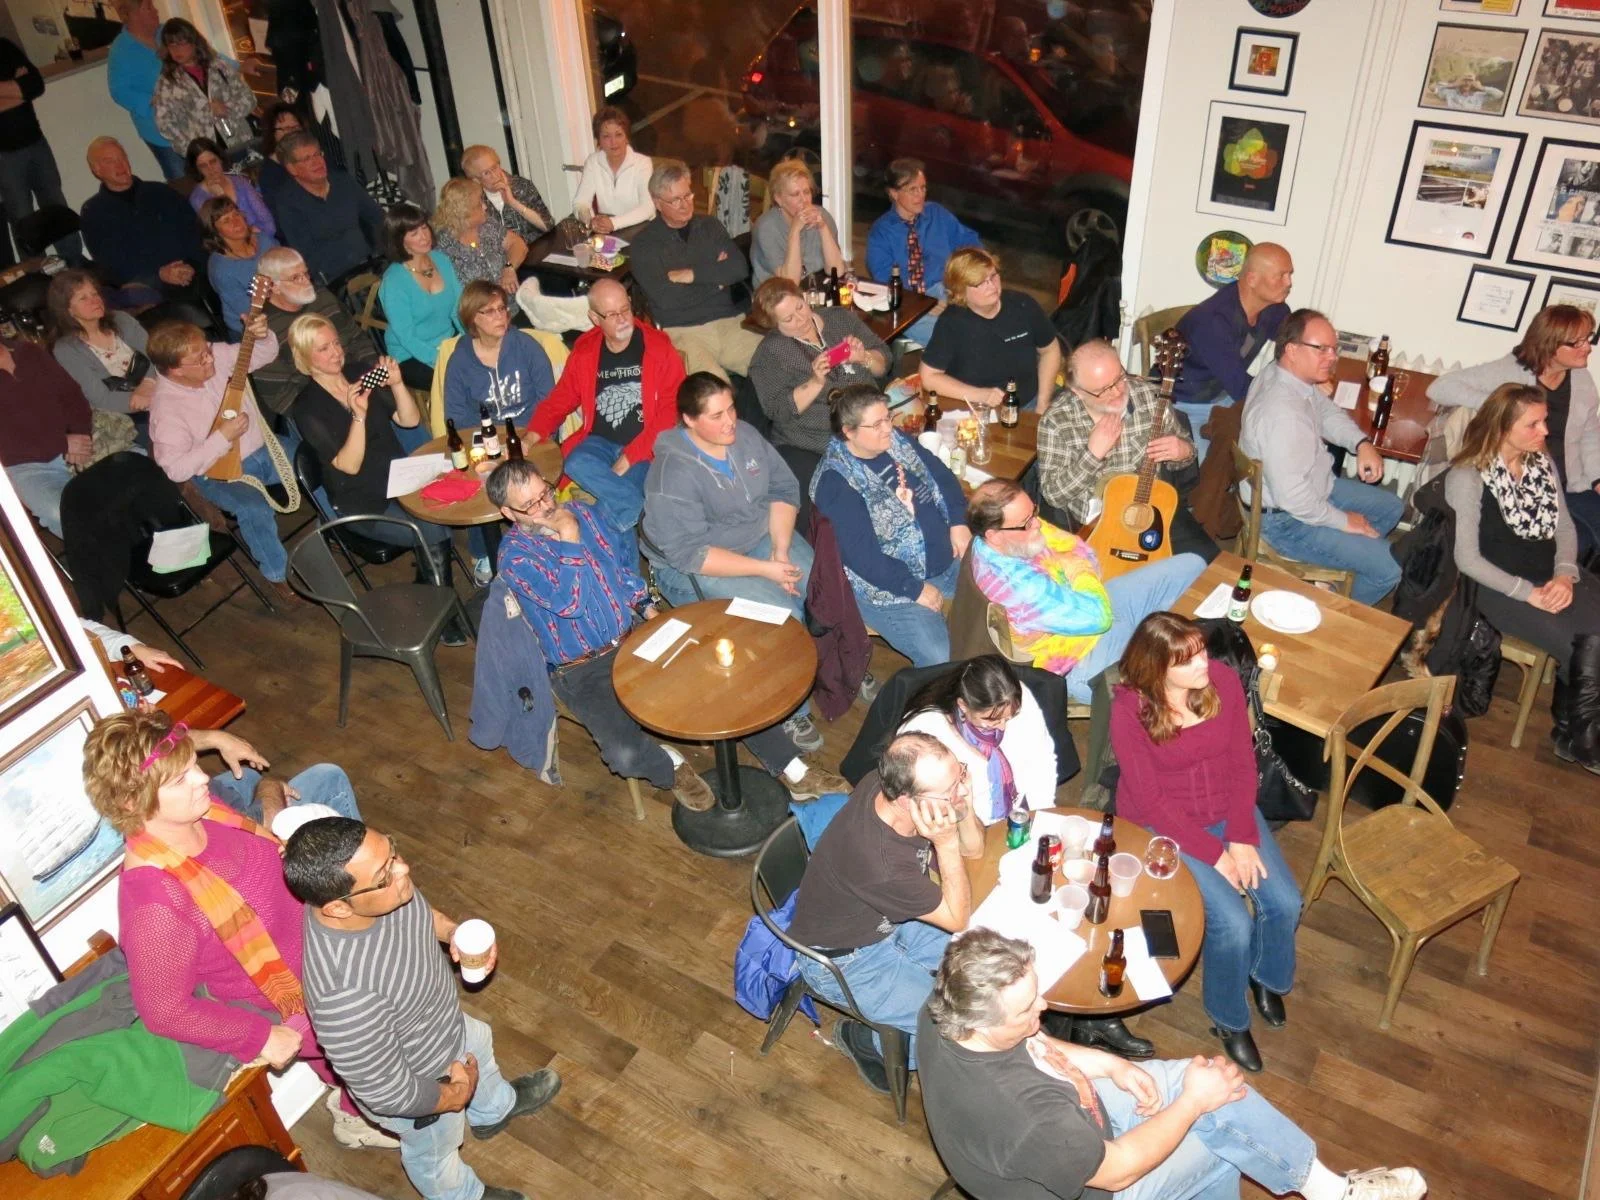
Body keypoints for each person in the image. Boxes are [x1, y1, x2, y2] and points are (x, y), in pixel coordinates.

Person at [80, 710, 396, 1152]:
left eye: (194, 763)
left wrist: (267, 793)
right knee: (372, 1068)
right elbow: (164, 1010)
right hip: (302, 1000)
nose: (200, 779)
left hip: (328, 950)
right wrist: (261, 1037)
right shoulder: (154, 901)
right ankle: (358, 1113)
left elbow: (259, 861)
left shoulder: (203, 816)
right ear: (133, 803)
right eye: (180, 778)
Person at [918, 929, 1428, 1200]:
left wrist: (1107, 1064)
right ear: (982, 1023)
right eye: (1028, 1008)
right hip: (1098, 1183)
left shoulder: (945, 1009)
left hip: (1077, 1122)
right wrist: (1191, 1105)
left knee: (1209, 1085)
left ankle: (1327, 1189)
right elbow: (1115, 1173)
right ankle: (1333, 1194)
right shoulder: (1029, 1121)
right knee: (1217, 1118)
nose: (1043, 1010)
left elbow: (1034, 1047)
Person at [488, 458, 843, 806]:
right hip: (582, 667)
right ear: (508, 513)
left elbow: (621, 572)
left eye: (546, 493)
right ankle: (670, 765)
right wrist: (569, 539)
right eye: (530, 505)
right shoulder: (515, 558)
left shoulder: (584, 515)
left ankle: (794, 770)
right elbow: (571, 603)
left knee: (726, 679)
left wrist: (648, 609)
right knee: (623, 754)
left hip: (633, 634)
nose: (546, 507)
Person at [283, 816, 564, 1200]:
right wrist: (451, 1097)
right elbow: (386, 1090)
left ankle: (493, 1110)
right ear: (337, 909)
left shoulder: (381, 893)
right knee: (435, 1151)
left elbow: (419, 914)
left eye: (393, 853)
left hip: (444, 1026)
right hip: (423, 1087)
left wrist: (453, 934)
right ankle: (463, 1195)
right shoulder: (344, 998)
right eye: (386, 872)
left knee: (480, 1041)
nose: (403, 869)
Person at [1112, 612, 1302, 1072]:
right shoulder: (1129, 710)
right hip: (1166, 827)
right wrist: (1216, 854)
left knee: (1285, 902)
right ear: (1158, 668)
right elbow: (1153, 803)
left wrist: (1239, 835)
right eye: (1189, 659)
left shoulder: (1221, 680)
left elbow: (1242, 763)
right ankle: (1229, 1018)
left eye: (1201, 649)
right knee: (1232, 924)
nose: (1204, 662)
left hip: (1227, 812)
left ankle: (1265, 976)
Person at [786, 732, 981, 1087]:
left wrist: (959, 805)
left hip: (887, 921)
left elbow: (975, 849)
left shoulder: (885, 781)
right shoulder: (882, 863)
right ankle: (866, 1042)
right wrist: (946, 842)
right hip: (845, 960)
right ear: (907, 801)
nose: (963, 792)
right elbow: (957, 918)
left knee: (982, 966)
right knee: (954, 1025)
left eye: (961, 776)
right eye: (951, 788)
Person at [642, 373, 823, 750]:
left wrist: (781, 551)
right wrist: (766, 571)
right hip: (693, 565)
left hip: (758, 538)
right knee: (783, 613)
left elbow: (782, 488)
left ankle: (830, 666)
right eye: (716, 416)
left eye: (731, 409)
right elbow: (690, 553)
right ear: (689, 420)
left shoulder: (745, 436)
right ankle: (794, 714)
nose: (729, 423)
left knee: (821, 583)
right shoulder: (672, 473)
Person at [1446, 383, 1600, 774]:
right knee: (1584, 642)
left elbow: (1565, 528)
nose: (1545, 432)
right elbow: (1466, 559)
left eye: (1544, 421)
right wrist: (1528, 593)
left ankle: (1570, 731)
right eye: (1534, 424)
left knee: (1594, 630)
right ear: (1501, 427)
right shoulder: (1468, 477)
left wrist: (1565, 575)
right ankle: (1584, 738)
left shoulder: (1541, 462)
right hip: (1497, 586)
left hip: (1549, 572)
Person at [967, 478, 1205, 704]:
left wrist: (1076, 570)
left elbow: (1084, 550)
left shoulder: (1009, 533)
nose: (1037, 524)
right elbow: (1099, 617)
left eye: (1034, 513)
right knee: (1169, 677)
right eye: (1027, 523)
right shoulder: (1020, 587)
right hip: (1077, 658)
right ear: (994, 535)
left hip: (1085, 605)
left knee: (1194, 566)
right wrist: (1076, 569)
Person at [1238, 309, 1403, 606]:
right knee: (1389, 570)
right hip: (1285, 520)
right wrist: (1343, 522)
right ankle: (1330, 614)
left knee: (1392, 507)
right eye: (1321, 349)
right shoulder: (1283, 415)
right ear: (1292, 350)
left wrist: (1361, 443)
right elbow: (1294, 499)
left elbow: (1325, 411)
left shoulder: (1284, 374)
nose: (1332, 357)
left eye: (1333, 348)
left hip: (1312, 487)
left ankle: (1333, 575)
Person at [811, 384, 969, 667]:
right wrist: (914, 588)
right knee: (941, 658)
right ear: (849, 432)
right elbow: (863, 558)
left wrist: (958, 521)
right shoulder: (836, 482)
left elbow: (941, 475)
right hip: (892, 588)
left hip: (945, 560)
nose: (888, 428)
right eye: (877, 424)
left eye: (888, 418)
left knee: (999, 601)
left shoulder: (895, 440)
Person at [1429, 304, 1600, 558]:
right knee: (1576, 544)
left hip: (1570, 483)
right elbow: (1439, 388)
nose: (1588, 347)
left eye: (1588, 339)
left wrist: (1597, 478)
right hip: (1526, 487)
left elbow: (1589, 434)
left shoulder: (1581, 379)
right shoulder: (1510, 372)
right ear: (1550, 345)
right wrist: (1504, 407)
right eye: (1577, 343)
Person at [148, 316, 295, 599]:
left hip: (264, 449)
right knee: (254, 509)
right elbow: (176, 469)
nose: (210, 359)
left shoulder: (213, 356)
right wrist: (221, 438)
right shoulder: (166, 411)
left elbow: (264, 354)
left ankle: (337, 526)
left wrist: (261, 336)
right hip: (220, 473)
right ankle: (277, 576)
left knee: (312, 458)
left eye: (207, 351)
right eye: (200, 359)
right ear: (176, 370)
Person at [524, 278, 680, 539]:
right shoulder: (586, 350)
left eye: (625, 309)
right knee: (574, 461)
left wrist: (630, 456)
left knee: (618, 500)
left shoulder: (658, 347)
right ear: (594, 318)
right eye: (612, 314)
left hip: (645, 447)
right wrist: (532, 433)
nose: (623, 319)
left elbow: (670, 412)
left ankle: (605, 548)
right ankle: (637, 510)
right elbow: (560, 399)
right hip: (598, 441)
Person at [1037, 338, 1218, 560]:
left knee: (1208, 562)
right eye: (1102, 390)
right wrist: (1092, 455)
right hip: (1096, 521)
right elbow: (1053, 495)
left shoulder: (1150, 399)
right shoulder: (1056, 422)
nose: (1116, 392)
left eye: (1119, 379)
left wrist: (1183, 450)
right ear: (1077, 391)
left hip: (1151, 509)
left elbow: (1185, 454)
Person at [748, 276, 890, 493]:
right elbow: (778, 411)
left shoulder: (839, 319)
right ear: (774, 325)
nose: (801, 318)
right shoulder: (770, 354)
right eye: (788, 319)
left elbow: (885, 363)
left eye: (800, 306)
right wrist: (814, 383)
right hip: (816, 441)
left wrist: (864, 358)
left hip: (872, 421)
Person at [629, 159, 761, 382]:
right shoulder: (644, 245)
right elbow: (667, 299)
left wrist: (692, 275)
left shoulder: (709, 226)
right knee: (713, 392)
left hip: (730, 323)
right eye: (675, 200)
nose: (685, 204)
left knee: (777, 366)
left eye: (687, 195)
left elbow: (738, 268)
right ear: (657, 203)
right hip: (684, 331)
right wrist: (718, 282)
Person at [897, 654, 1056, 824]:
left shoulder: (1015, 699)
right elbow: (926, 805)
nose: (1002, 727)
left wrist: (1041, 816)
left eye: (1009, 717)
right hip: (965, 824)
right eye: (991, 719)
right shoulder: (927, 733)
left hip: (1021, 809)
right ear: (963, 706)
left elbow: (1042, 760)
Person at [1173, 242, 1294, 462]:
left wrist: (1313, 368)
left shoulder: (1274, 309)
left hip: (1223, 398)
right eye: (1281, 276)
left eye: (1290, 274)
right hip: (1184, 406)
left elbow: (1295, 344)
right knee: (1205, 469)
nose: (1289, 283)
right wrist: (1289, 396)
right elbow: (1241, 388)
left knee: (1276, 444)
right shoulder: (1212, 323)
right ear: (1252, 279)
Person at [919, 247, 1061, 416]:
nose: (992, 286)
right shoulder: (952, 322)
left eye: (993, 276)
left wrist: (1042, 403)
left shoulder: (1023, 305)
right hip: (978, 410)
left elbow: (1050, 350)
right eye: (980, 282)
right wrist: (980, 395)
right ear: (961, 292)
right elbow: (929, 377)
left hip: (1029, 404)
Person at [79, 137, 209, 321]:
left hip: (193, 268)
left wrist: (191, 264)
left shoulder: (160, 192)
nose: (120, 164)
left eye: (122, 157)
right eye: (110, 161)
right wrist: (159, 274)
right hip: (149, 284)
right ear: (96, 170)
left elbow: (194, 230)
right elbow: (111, 265)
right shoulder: (94, 213)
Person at [866, 158, 981, 346]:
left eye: (923, 188)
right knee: (951, 339)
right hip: (908, 303)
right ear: (894, 193)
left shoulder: (937, 214)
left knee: (984, 319)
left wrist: (974, 273)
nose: (921, 195)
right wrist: (923, 303)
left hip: (947, 288)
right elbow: (885, 283)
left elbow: (969, 241)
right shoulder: (881, 232)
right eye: (913, 189)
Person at [254, 246, 379, 417]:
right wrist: (326, 410)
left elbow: (356, 338)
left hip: (357, 378)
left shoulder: (322, 297)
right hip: (321, 406)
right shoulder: (265, 331)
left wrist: (375, 371)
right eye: (296, 278)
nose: (306, 282)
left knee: (399, 407)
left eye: (306, 274)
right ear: (273, 286)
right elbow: (277, 394)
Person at [0, 335, 92, 537]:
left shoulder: (27, 351)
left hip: (79, 441)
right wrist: (61, 443)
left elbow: (71, 394)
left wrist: (79, 431)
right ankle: (107, 565)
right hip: (26, 466)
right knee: (62, 513)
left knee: (131, 480)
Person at [46, 268, 154, 435]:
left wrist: (149, 384)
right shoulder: (66, 350)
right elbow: (102, 399)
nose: (95, 300)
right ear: (68, 310)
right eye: (83, 298)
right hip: (129, 417)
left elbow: (155, 355)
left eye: (95, 293)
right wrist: (147, 400)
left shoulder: (121, 319)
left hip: (161, 390)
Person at [0, 37, 78, 268]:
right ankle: (38, 278)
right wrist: (16, 87)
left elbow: (35, 85)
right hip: (5, 156)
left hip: (36, 142)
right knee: (23, 220)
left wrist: (18, 90)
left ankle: (76, 265)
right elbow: (25, 90)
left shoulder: (5, 46)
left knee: (57, 205)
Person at [270, 131, 384, 288]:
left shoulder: (342, 181)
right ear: (292, 169)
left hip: (369, 264)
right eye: (307, 159)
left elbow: (378, 217)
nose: (317, 162)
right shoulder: (288, 202)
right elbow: (305, 253)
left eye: (318, 154)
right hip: (333, 280)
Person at [443, 280, 554, 433]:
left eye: (501, 308)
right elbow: (456, 417)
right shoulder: (460, 361)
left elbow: (549, 404)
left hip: (529, 433)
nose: (500, 316)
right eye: (489, 311)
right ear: (472, 317)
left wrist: (533, 436)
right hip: (486, 438)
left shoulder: (527, 348)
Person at [378, 203, 464, 393]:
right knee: (461, 380)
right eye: (414, 233)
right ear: (400, 241)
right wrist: (439, 359)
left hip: (446, 341)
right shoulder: (394, 281)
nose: (424, 236)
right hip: (410, 355)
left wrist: (469, 338)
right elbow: (406, 336)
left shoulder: (441, 260)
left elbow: (458, 309)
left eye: (424, 228)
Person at [150, 19, 258, 160]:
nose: (177, 50)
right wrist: (190, 149)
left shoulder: (219, 66)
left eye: (181, 43)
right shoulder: (166, 83)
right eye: (171, 45)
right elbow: (165, 125)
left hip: (240, 142)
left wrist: (228, 109)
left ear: (194, 42)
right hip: (206, 156)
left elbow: (249, 99)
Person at [107, 0, 182, 180]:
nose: (156, 11)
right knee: (182, 183)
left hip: (195, 121)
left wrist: (238, 67)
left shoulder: (167, 33)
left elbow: (203, 54)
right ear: (134, 14)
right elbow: (119, 91)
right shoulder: (121, 50)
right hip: (161, 133)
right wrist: (152, 101)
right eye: (149, 7)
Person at [750, 158, 846, 286]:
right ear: (779, 199)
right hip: (777, 296)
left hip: (814, 290)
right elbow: (790, 281)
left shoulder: (821, 215)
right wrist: (794, 231)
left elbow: (837, 271)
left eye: (806, 192)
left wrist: (823, 228)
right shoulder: (766, 228)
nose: (804, 200)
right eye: (795, 194)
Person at [199, 196, 278, 337]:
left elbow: (290, 267)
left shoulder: (263, 240)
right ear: (215, 231)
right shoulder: (222, 270)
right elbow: (249, 312)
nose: (236, 222)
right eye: (226, 221)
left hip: (284, 304)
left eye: (236, 214)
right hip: (252, 328)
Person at [433, 176, 523, 296]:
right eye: (479, 204)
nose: (485, 207)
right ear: (464, 212)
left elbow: (518, 244)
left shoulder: (487, 225)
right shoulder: (443, 245)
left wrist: (509, 267)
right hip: (479, 311)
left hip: (510, 304)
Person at [572, 105, 654, 233]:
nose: (613, 142)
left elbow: (648, 208)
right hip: (607, 232)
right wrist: (591, 220)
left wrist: (614, 223)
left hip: (640, 231)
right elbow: (580, 203)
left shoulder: (643, 164)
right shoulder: (593, 162)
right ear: (598, 140)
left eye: (618, 135)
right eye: (606, 136)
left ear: (626, 137)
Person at [186, 136, 275, 238]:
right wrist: (220, 197)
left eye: (213, 161)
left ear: (220, 159)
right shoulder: (198, 199)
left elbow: (268, 221)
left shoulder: (240, 181)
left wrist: (260, 237)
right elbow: (221, 237)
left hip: (265, 237)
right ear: (197, 170)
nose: (211, 169)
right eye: (203, 166)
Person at [461, 144, 553, 242]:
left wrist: (513, 203)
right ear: (476, 180)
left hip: (534, 250)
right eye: (486, 173)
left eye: (495, 167)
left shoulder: (522, 186)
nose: (495, 175)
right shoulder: (475, 201)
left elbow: (548, 226)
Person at [256, 100, 307, 208]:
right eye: (285, 128)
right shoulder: (269, 174)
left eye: (295, 127)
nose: (291, 133)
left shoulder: (314, 154)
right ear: (272, 133)